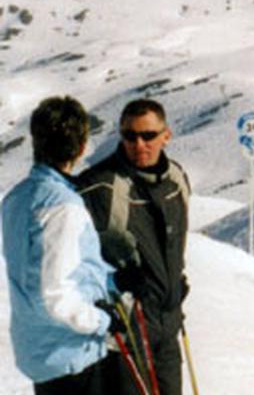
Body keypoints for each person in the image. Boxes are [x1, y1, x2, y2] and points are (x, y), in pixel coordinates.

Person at [2, 96, 123, 394]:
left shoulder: (17, 198)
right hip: (70, 354)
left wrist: (109, 280)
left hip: (39, 349)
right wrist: (104, 321)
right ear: (82, 147)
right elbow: (55, 294)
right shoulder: (64, 207)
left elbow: (35, 266)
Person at [78, 99, 191, 395]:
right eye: (130, 136)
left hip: (167, 326)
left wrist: (175, 281)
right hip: (125, 333)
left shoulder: (176, 180)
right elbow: (68, 258)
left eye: (148, 136)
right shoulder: (98, 187)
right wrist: (111, 284)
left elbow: (175, 242)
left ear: (166, 135)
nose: (139, 144)